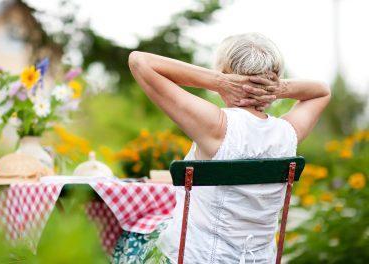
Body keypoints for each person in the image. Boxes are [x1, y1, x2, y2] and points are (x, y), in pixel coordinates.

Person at [113, 33, 331, 264]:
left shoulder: (216, 126)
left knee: (130, 235)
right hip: (260, 260)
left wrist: (219, 82)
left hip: (198, 258)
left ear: (226, 74)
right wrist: (272, 87)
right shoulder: (287, 133)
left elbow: (139, 61)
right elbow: (322, 90)